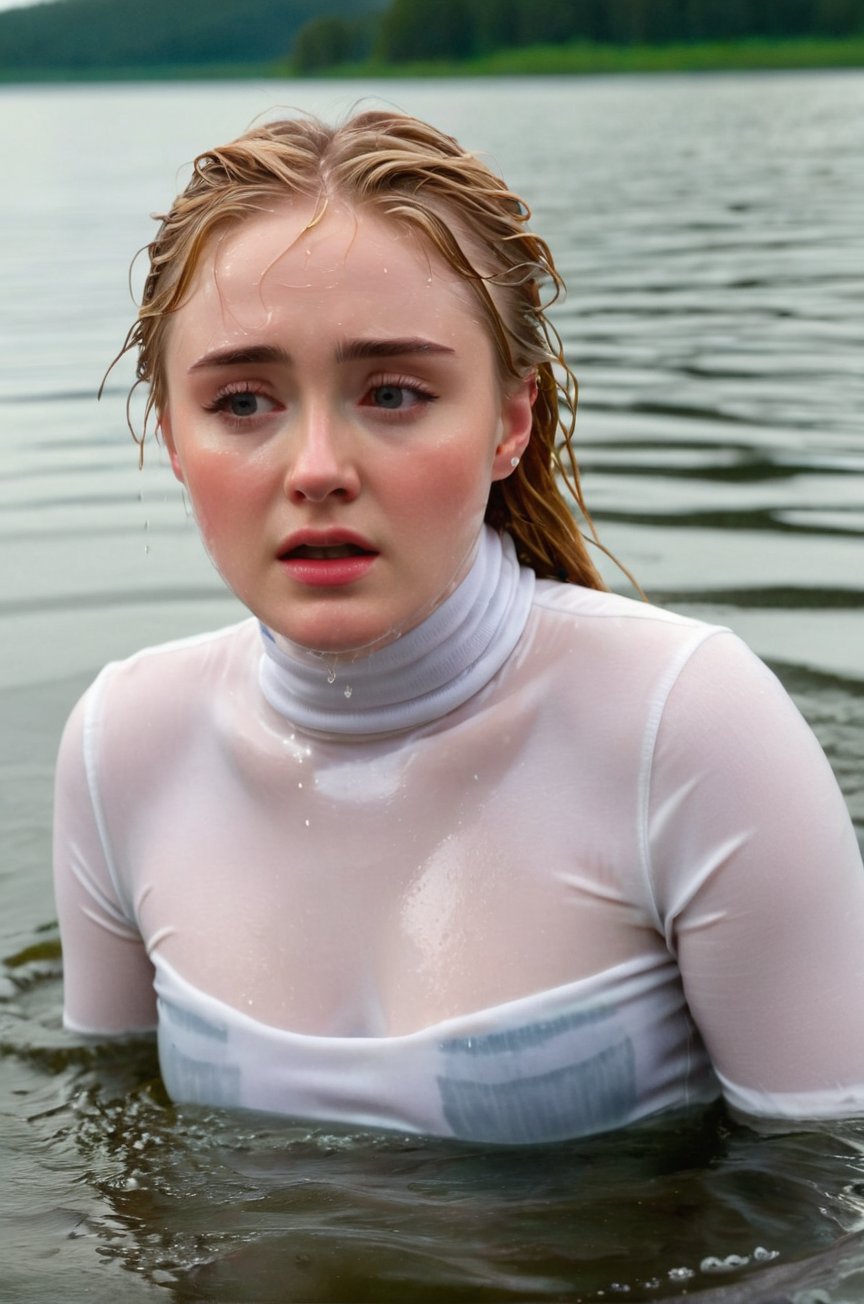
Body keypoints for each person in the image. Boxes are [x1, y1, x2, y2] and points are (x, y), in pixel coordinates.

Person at [53, 110, 864, 1145]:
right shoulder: (123, 743)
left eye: (393, 392)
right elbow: (106, 1149)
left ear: (509, 420)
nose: (315, 468)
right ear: (171, 432)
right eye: (244, 400)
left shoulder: (689, 724)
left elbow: (829, 1191)